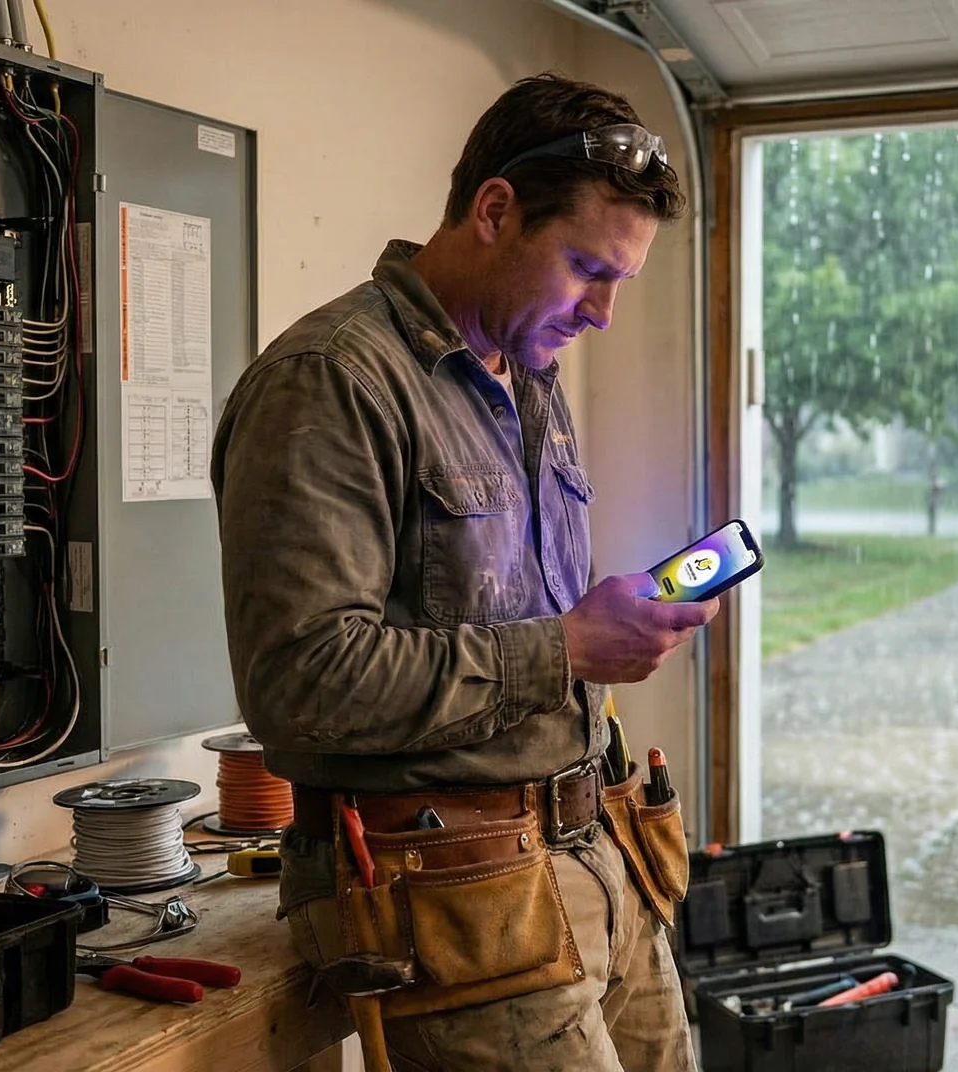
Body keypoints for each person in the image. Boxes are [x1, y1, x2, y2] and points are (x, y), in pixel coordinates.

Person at [210, 73, 713, 1072]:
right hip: (449, 887)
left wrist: (599, 631)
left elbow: (510, 618)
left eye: (621, 279)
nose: (605, 312)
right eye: (585, 268)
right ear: (494, 210)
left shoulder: (527, 378)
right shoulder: (331, 380)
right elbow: (300, 687)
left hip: (599, 859)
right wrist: (568, 647)